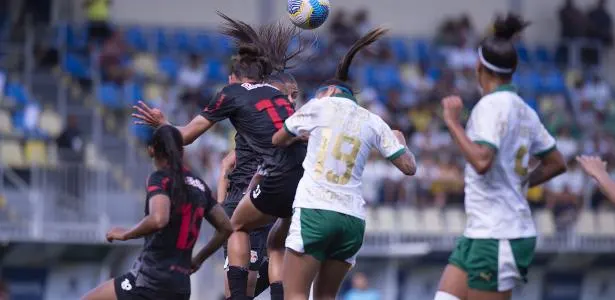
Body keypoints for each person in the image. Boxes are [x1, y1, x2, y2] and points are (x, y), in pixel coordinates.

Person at [132, 13, 305, 300]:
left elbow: (185, 136)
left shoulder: (231, 93)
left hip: (269, 181)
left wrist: (161, 123)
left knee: (234, 226)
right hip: (303, 178)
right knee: (277, 244)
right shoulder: (280, 96)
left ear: (236, 76)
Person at [272, 27, 417, 300]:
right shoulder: (374, 120)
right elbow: (409, 167)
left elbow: (277, 138)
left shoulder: (318, 106)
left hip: (316, 209)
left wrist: (300, 136)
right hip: (352, 219)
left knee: (295, 294)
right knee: (326, 297)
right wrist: (402, 142)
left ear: (326, 92)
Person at [435, 14, 567, 300]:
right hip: (482, 230)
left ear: (479, 66)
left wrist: (453, 122)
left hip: (498, 235)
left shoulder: (490, 106)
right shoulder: (524, 110)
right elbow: (557, 162)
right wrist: (520, 183)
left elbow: (482, 162)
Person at [82, 125, 232, 300]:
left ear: (151, 150)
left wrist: (126, 234)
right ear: (181, 152)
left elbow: (159, 218)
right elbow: (226, 227)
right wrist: (199, 259)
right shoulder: (200, 185)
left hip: (151, 280)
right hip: (181, 285)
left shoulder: (160, 178)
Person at [217, 72, 301, 300]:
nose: (292, 101)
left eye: (296, 95)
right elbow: (226, 164)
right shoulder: (261, 123)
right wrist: (222, 204)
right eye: (288, 95)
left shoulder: (288, 123)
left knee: (277, 254)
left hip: (268, 199)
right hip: (248, 199)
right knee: (246, 284)